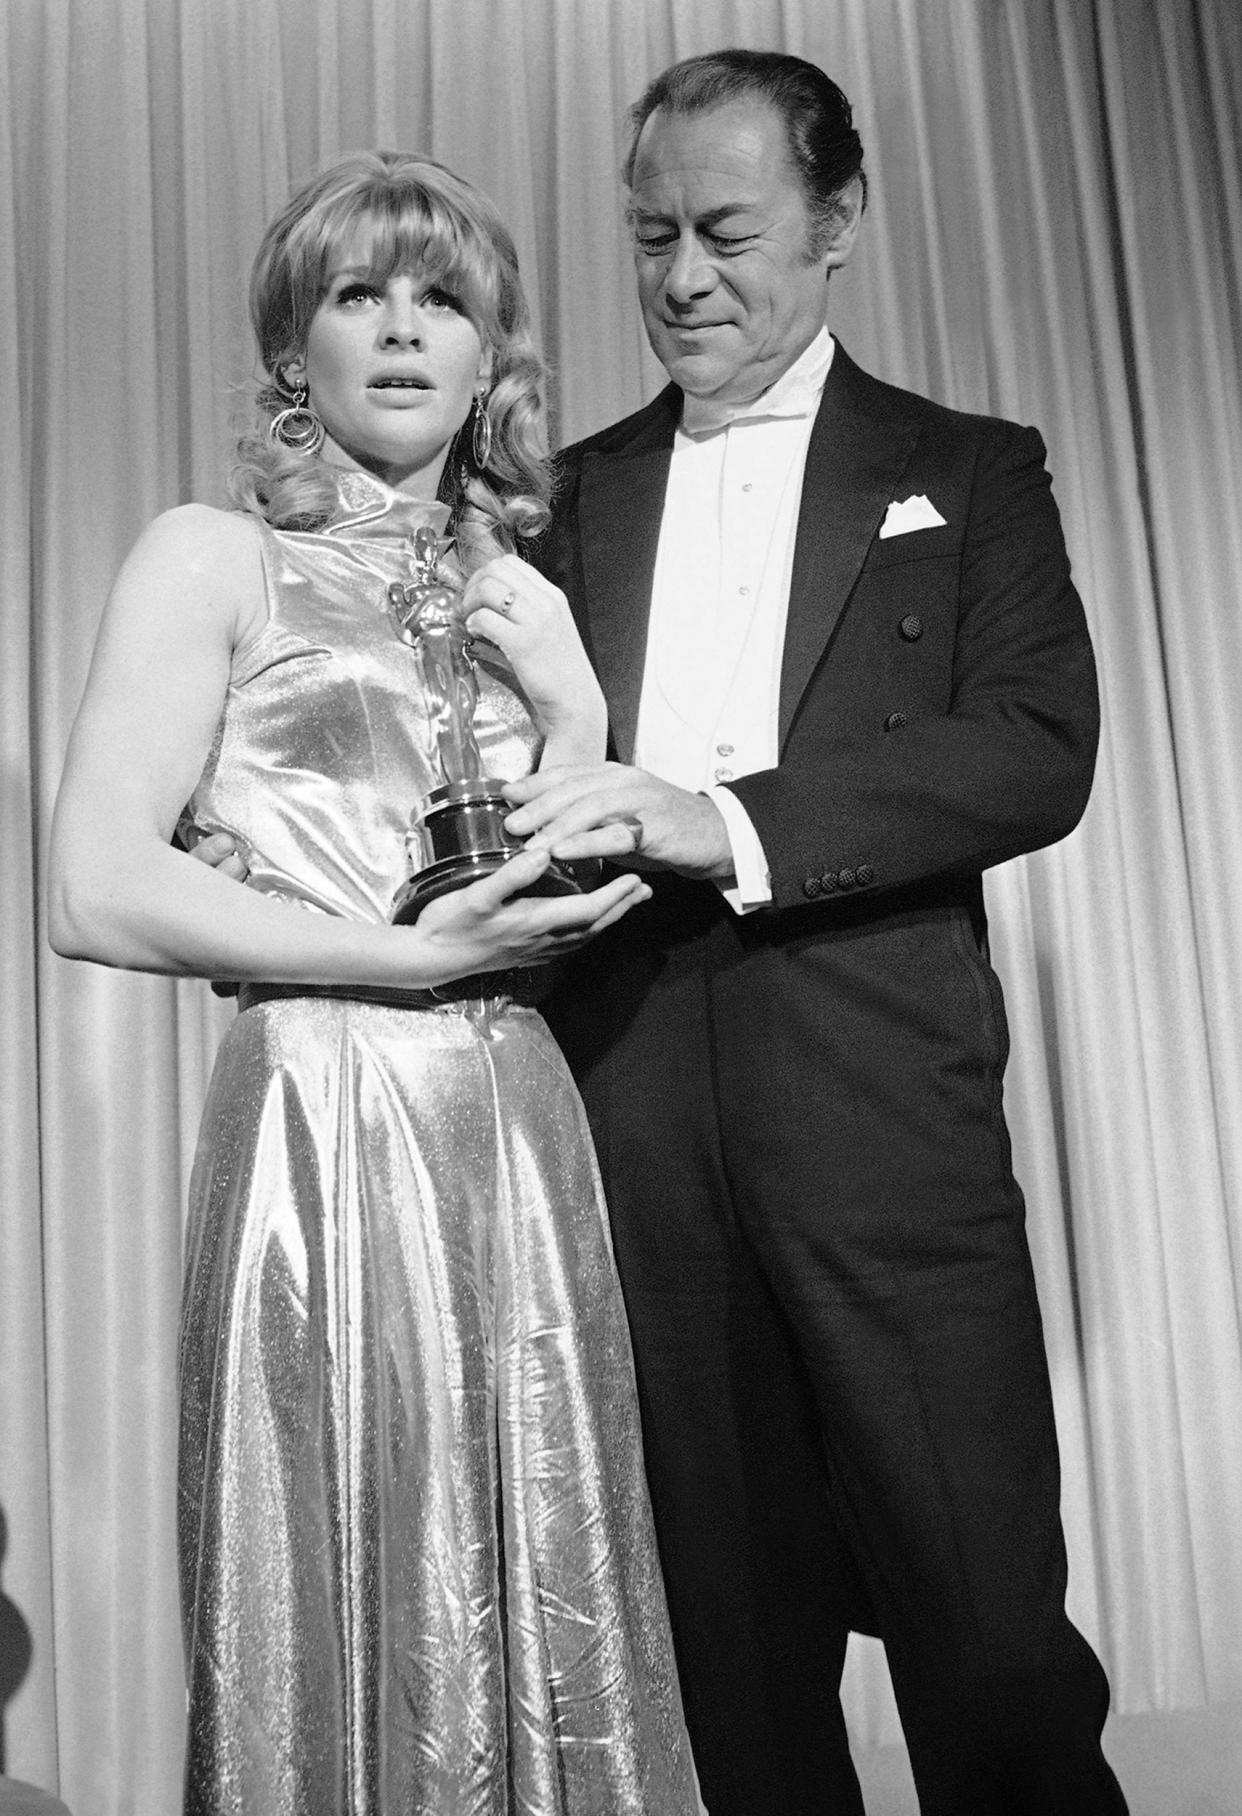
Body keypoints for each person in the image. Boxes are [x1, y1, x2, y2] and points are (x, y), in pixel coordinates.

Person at [500, 48, 1131, 1816]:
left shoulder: (967, 467)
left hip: (883, 1123)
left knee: (988, 1642)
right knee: (729, 1657)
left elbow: (1030, 748)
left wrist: (726, 821)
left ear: (836, 220)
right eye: (647, 239)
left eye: (724, 231)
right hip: (631, 1129)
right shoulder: (555, 501)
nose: (681, 279)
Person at [48, 150, 702, 1816]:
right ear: (296, 352)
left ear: (494, 360)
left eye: (444, 298)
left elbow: (566, 890)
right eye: (360, 294)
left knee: (542, 1554)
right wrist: (410, 959)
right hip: (319, 1105)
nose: (403, 331)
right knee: (334, 1549)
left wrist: (571, 712)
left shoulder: (516, 591)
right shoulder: (213, 555)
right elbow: (99, 888)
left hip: (515, 1113)